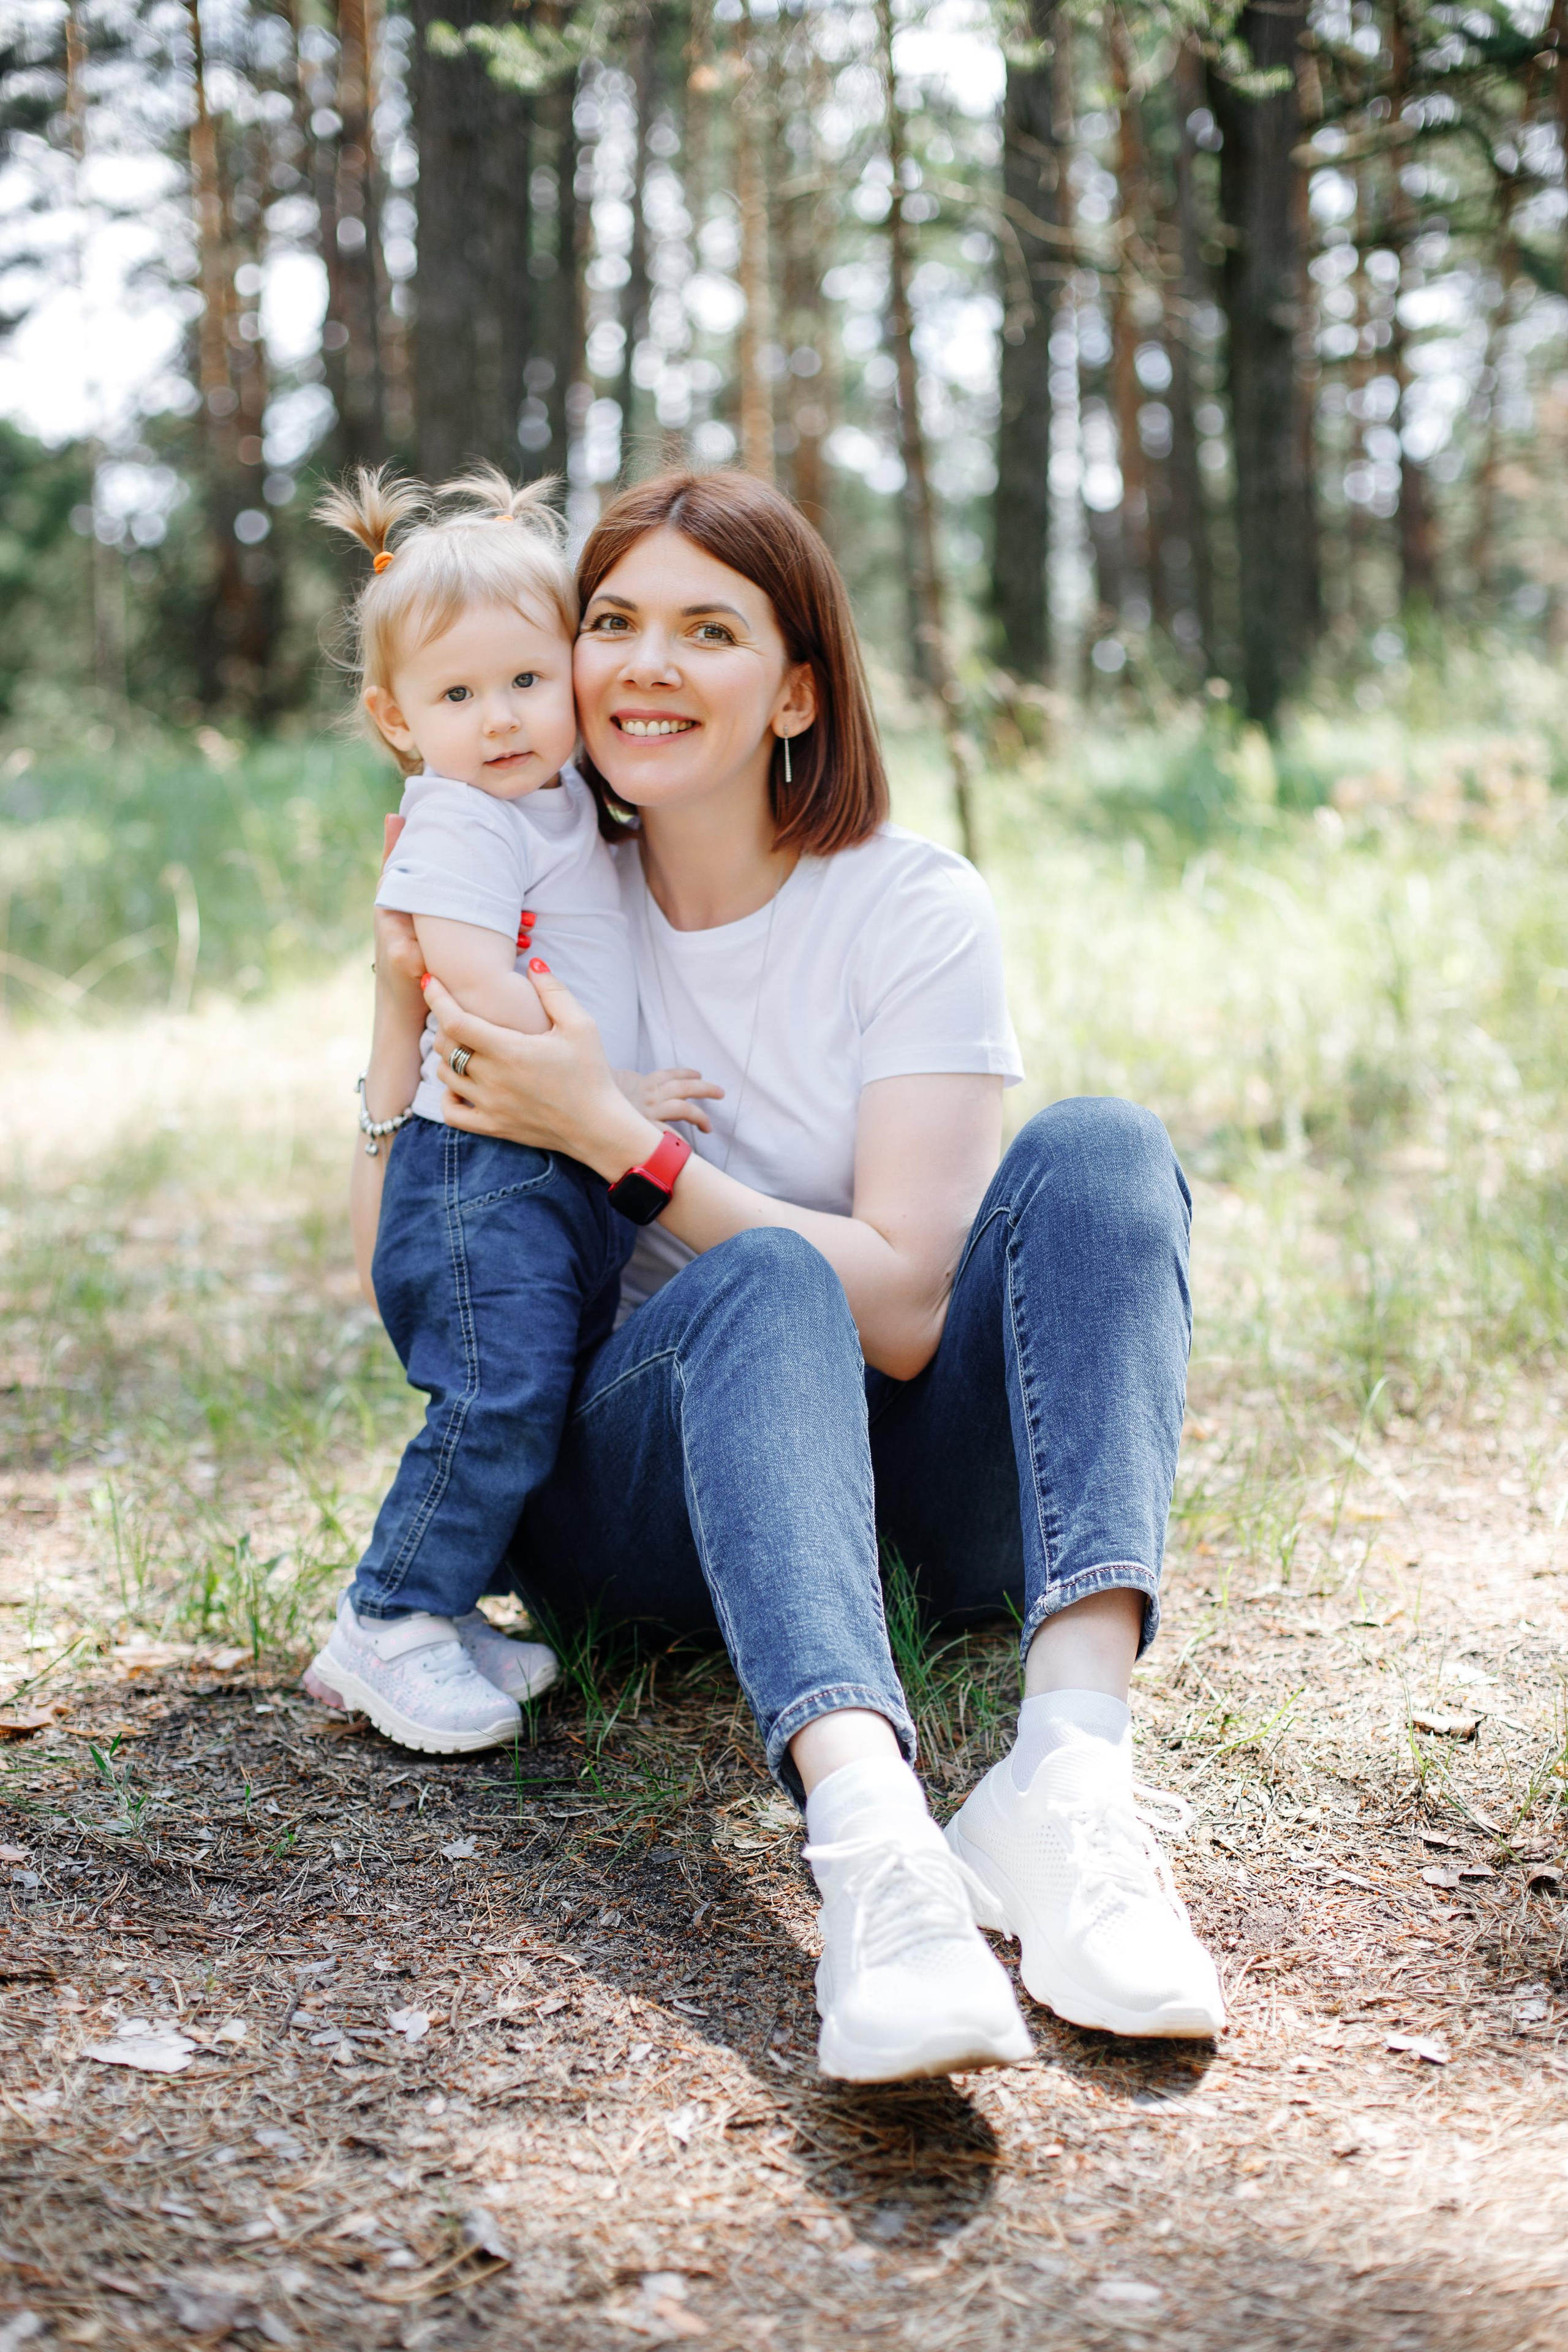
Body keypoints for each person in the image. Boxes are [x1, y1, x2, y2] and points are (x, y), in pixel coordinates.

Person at [355, 468, 1226, 2081]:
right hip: (643, 1506)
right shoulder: (527, 897)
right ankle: (878, 1851)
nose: (644, 666)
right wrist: (390, 1027)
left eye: (709, 628)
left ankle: (1071, 1786)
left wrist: (620, 1137)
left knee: (1102, 1149)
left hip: (908, 1495)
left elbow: (907, 1308)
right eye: (611, 621)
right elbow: (398, 1273)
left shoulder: (910, 904)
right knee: (755, 1285)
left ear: (800, 688)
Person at [306, 466, 717, 1755]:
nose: (499, 719)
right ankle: (388, 1617)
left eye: (528, 683)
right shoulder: (456, 822)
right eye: (457, 695)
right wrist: (603, 1092)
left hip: (544, 1170)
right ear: (396, 719)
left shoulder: (551, 809)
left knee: (532, 1388)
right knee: (497, 1394)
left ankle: (446, 1608)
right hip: (480, 1171)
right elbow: (469, 983)